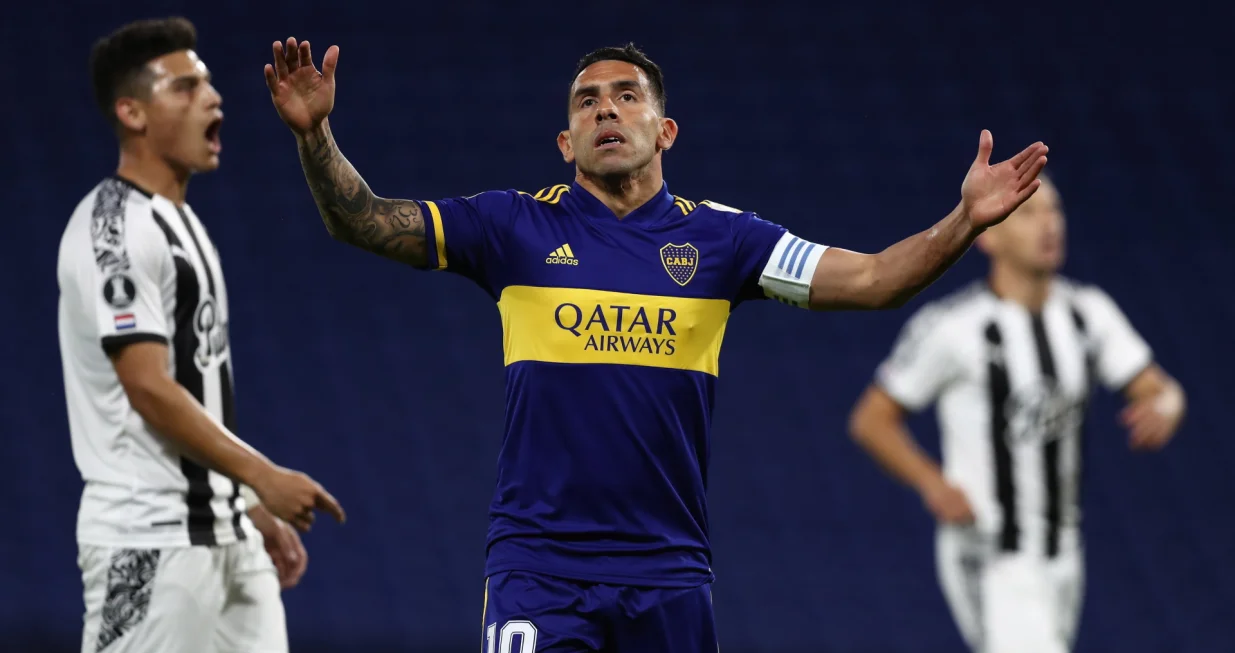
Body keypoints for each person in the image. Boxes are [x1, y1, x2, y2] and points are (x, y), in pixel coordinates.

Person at [264, 37, 1046, 653]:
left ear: (663, 129)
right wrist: (315, 136)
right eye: (586, 102)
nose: (605, 110)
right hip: (539, 567)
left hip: (667, 571)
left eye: (626, 97)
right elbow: (362, 219)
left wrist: (963, 221)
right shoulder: (512, 227)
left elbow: (875, 278)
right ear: (564, 141)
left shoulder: (726, 240)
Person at [57, 17, 345, 653]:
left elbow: (196, 387)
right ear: (131, 111)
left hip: (225, 535)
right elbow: (148, 388)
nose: (213, 99)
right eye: (186, 88)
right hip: (147, 542)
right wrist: (263, 475)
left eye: (209, 85)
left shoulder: (181, 223)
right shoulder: (114, 230)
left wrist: (244, 503)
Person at [848, 174, 1185, 653]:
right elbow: (872, 418)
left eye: (1055, 211)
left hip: (1063, 553)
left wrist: (1167, 406)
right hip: (991, 551)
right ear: (989, 235)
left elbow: (1158, 388)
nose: (1048, 225)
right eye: (1028, 213)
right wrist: (932, 482)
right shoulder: (954, 328)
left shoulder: (1088, 313)